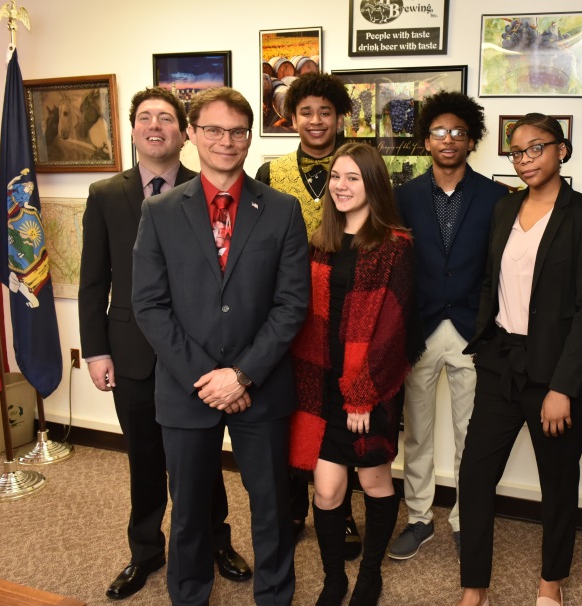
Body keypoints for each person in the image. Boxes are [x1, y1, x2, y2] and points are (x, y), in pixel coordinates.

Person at [131, 87, 310, 606]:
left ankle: (275, 596)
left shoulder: (282, 210)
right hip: (188, 390)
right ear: (191, 134)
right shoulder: (160, 212)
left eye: (236, 131)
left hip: (262, 387)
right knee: (188, 511)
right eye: (212, 129)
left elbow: (291, 305)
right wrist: (210, 377)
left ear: (249, 136)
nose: (225, 141)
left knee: (272, 507)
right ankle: (189, 596)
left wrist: (243, 374)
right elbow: (149, 305)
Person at [78, 87, 250, 600]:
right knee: (145, 460)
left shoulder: (213, 186)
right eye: (146, 118)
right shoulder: (107, 195)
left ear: (185, 133)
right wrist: (95, 350)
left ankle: (217, 542)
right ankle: (146, 552)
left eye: (167, 119)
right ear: (132, 129)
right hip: (131, 352)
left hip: (197, 353)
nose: (157, 126)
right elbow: (93, 280)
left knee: (201, 460)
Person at [456, 114, 582, 606]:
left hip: (556, 371)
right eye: (516, 152)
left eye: (535, 148)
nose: (524, 160)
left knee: (557, 482)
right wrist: (483, 345)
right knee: (475, 477)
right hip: (502, 361)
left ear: (561, 150)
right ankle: (474, 587)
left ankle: (550, 583)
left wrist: (564, 387)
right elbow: (489, 282)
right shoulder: (504, 209)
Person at [289, 142, 423, 606]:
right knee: (326, 492)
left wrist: (363, 394)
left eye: (354, 178)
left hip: (371, 388)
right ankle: (333, 579)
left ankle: (369, 574)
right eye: (336, 177)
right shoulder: (317, 242)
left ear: (374, 185)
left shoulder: (395, 246)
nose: (342, 186)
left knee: (373, 483)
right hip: (321, 386)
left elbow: (394, 334)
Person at [389, 91, 507, 561]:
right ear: (425, 141)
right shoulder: (403, 197)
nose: (448, 139)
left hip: (471, 332)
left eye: (458, 132)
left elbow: (498, 269)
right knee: (417, 431)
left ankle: (465, 518)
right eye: (438, 132)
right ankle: (419, 518)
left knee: (469, 433)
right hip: (417, 331)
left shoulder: (500, 198)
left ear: (472, 139)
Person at [255, 71, 362, 558]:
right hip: (284, 316)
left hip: (343, 314)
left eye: (325, 111)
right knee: (291, 412)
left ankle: (338, 513)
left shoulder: (360, 166)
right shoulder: (268, 173)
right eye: (305, 112)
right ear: (290, 118)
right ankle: (294, 508)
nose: (316, 121)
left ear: (339, 116)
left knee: (341, 415)